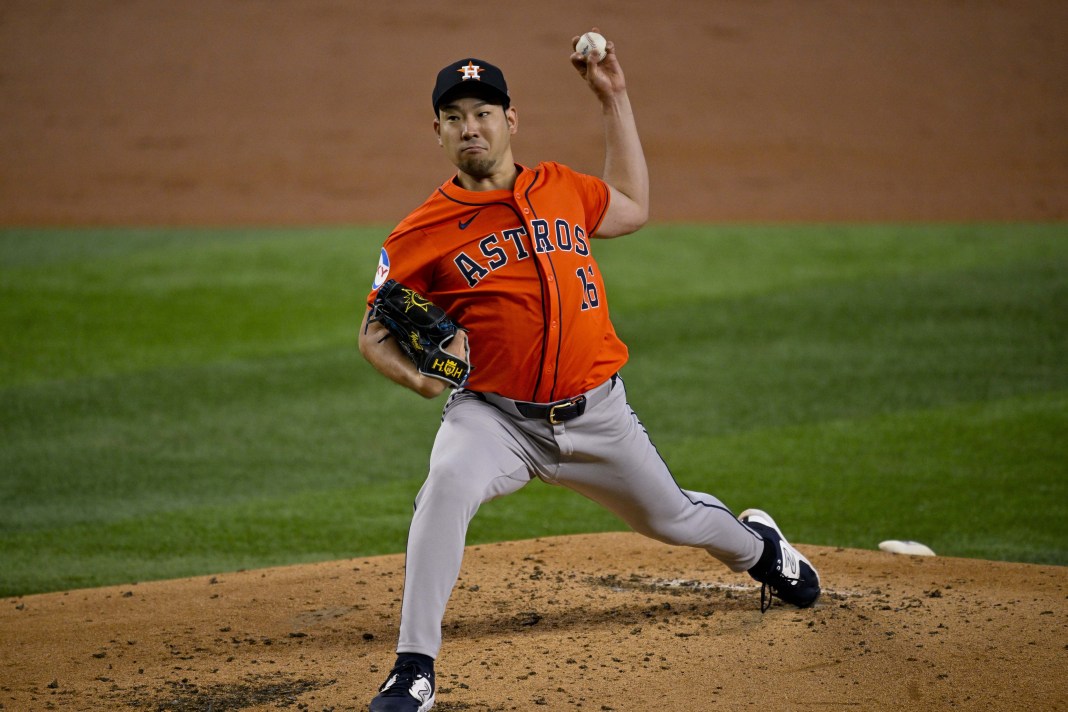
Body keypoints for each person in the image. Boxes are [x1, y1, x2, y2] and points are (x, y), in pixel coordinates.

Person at [358, 31, 821, 712]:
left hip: (597, 413)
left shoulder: (561, 187)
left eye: (483, 112)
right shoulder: (418, 233)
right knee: (446, 485)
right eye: (455, 116)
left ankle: (760, 549)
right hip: (494, 417)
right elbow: (373, 331)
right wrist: (420, 380)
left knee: (675, 519)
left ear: (510, 120)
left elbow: (632, 207)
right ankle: (413, 669)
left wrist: (615, 99)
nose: (471, 127)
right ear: (438, 131)